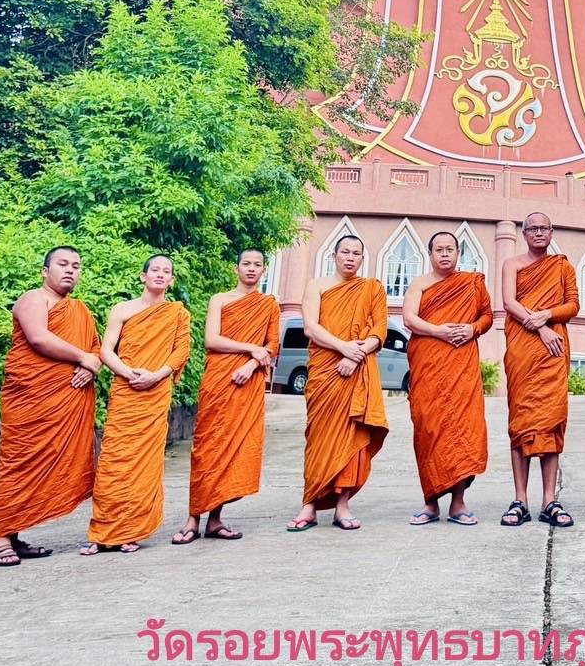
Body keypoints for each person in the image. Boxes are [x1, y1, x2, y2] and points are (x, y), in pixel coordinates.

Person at [0, 247, 101, 567]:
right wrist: (82, 358)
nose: (70, 270)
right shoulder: (33, 299)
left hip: (66, 398)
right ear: (44, 271)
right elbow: (38, 338)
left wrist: (90, 365)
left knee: (50, 464)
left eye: (76, 266)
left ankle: (15, 536)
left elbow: (94, 347)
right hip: (31, 398)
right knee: (19, 462)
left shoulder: (80, 310)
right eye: (63, 264)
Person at [80, 254, 190, 555]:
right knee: (114, 461)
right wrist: (129, 373)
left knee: (145, 463)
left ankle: (131, 531)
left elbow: (181, 350)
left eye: (166, 271)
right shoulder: (123, 309)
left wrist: (157, 375)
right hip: (127, 390)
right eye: (155, 269)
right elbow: (106, 350)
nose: (160, 274)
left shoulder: (178, 313)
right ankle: (102, 532)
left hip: (156, 392)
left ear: (171, 280)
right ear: (143, 276)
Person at [172, 249, 280, 545]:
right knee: (207, 446)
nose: (252, 269)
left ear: (264, 271)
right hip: (219, 380)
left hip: (248, 383)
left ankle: (215, 519)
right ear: (236, 268)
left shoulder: (269, 305)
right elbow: (212, 340)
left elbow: (271, 346)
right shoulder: (219, 300)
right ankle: (192, 518)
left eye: (258, 265)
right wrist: (250, 349)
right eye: (246, 264)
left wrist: (251, 364)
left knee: (233, 450)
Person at [287, 234, 389, 534]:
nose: (350, 258)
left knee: (352, 436)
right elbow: (311, 327)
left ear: (362, 259)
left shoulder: (372, 289)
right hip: (325, 371)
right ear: (334, 255)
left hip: (357, 368)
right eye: (345, 252)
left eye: (357, 253)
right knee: (319, 436)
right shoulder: (317, 285)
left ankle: (342, 505)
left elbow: (379, 329)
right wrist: (344, 348)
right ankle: (310, 503)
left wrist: (356, 355)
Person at [402, 230, 493, 525]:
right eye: (439, 249)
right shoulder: (420, 284)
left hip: (461, 365)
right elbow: (409, 319)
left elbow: (487, 315)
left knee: (463, 429)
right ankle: (430, 503)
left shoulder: (471, 283)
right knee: (428, 428)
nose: (445, 254)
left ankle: (458, 503)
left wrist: (473, 329)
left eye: (450, 249)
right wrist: (438, 330)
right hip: (429, 363)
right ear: (430, 254)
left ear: (458, 254)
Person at [499, 212, 579, 529]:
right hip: (523, 348)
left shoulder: (563, 266)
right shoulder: (513, 264)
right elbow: (509, 302)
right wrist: (540, 326)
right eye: (532, 229)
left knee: (551, 422)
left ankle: (550, 500)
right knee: (521, 423)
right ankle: (521, 500)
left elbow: (572, 306)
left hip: (554, 350)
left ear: (551, 231)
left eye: (543, 228)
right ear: (523, 233)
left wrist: (546, 316)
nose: (538, 233)